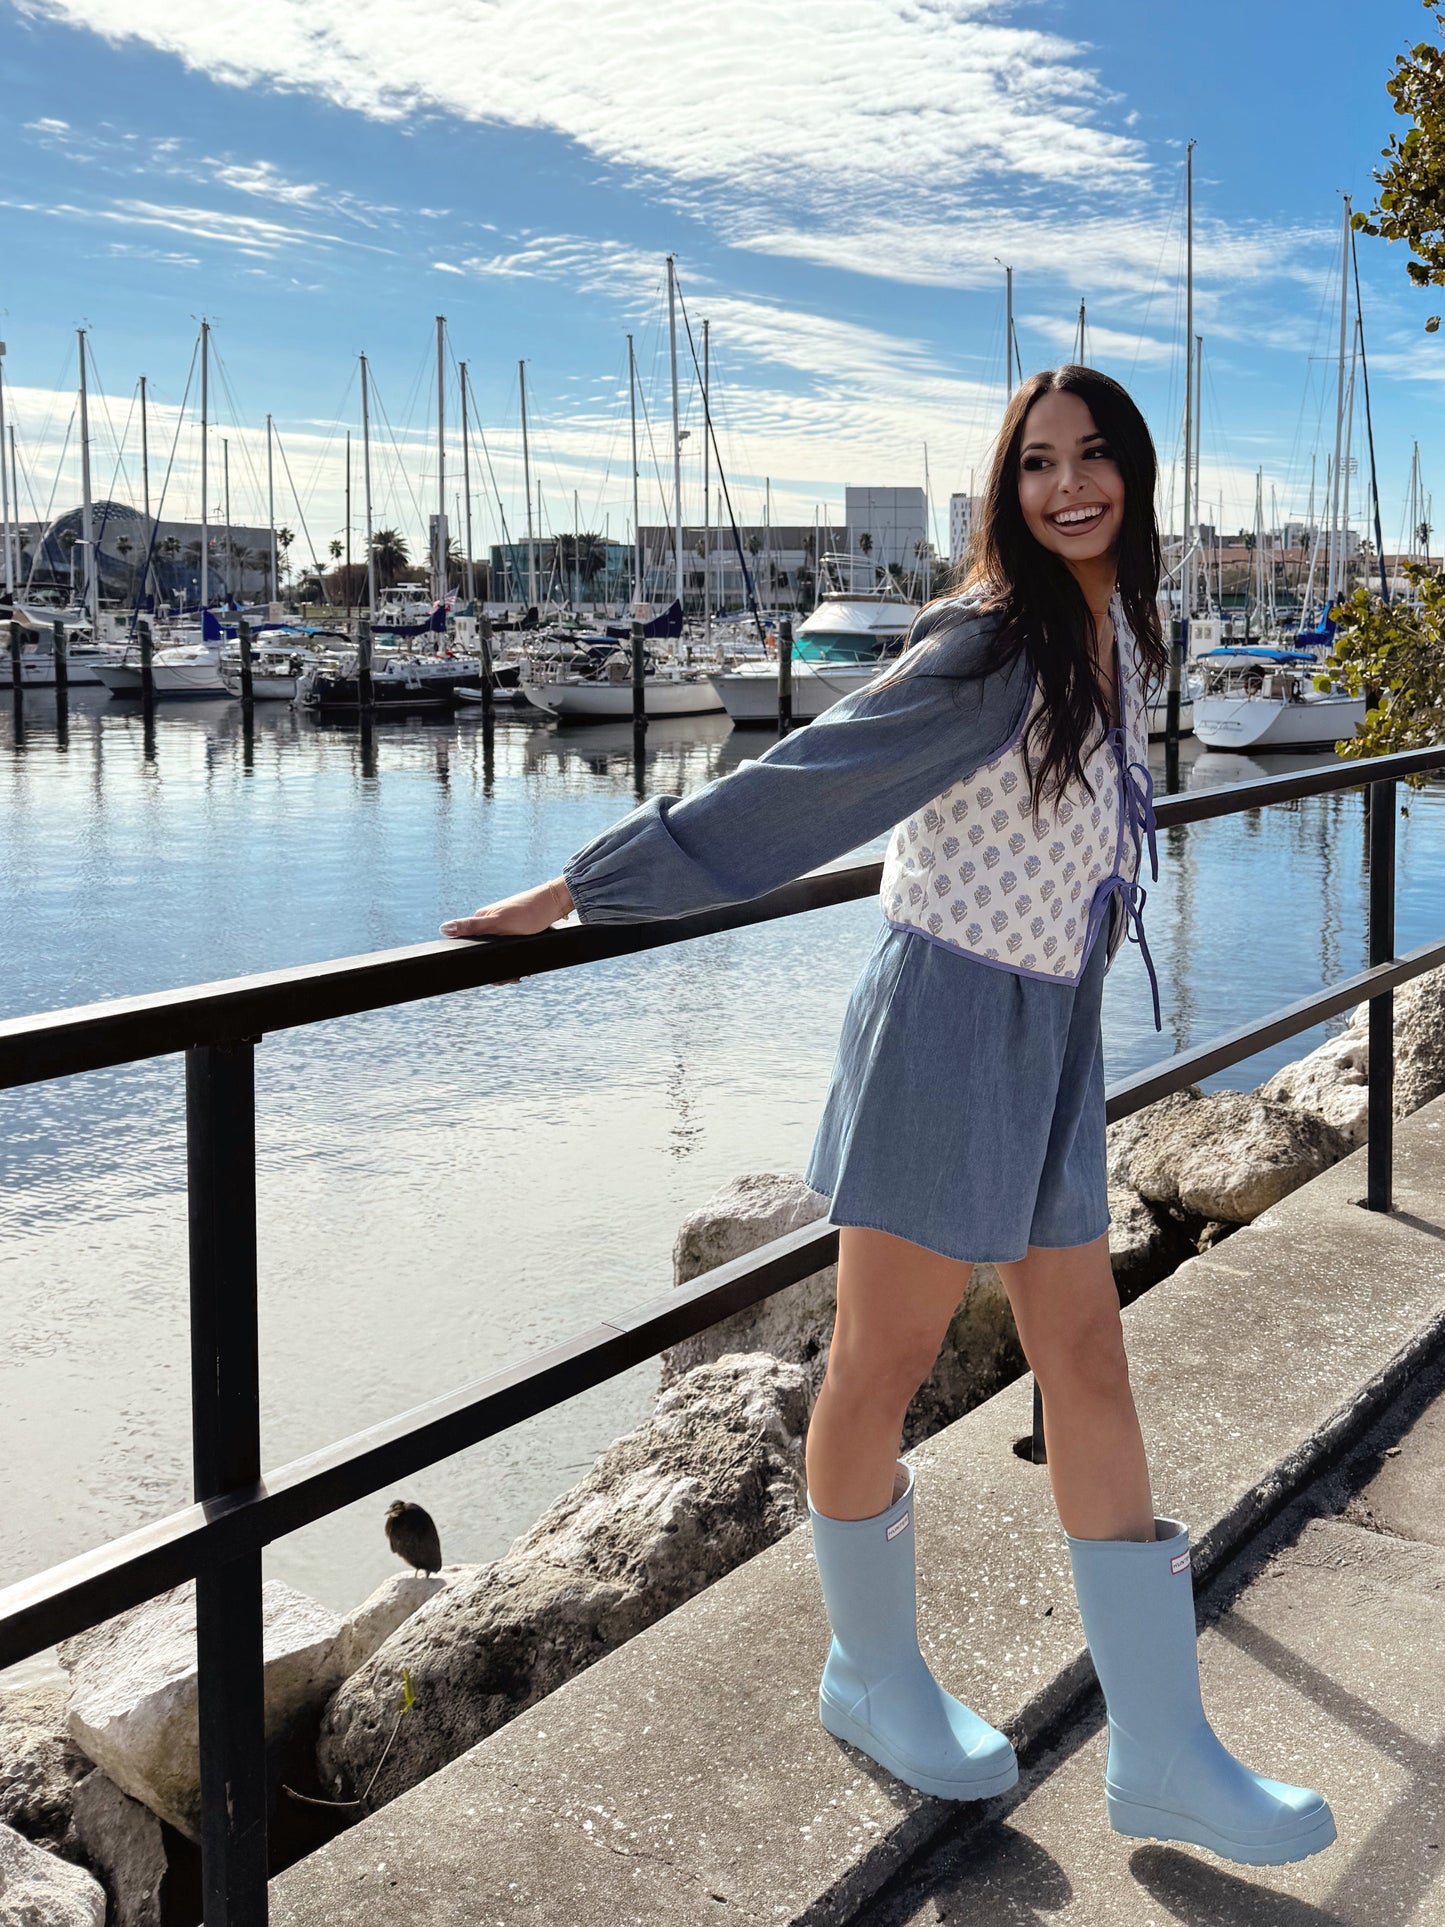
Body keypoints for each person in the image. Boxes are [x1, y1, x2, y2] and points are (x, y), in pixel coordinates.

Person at [442, 367, 1335, 1868]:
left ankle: (1163, 1755)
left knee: (1090, 1356)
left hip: (1042, 1025)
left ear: (1133, 473)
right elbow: (808, 786)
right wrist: (584, 888)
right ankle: (868, 1673)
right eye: (1038, 463)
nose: (1068, 485)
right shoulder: (994, 643)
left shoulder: (1125, 626)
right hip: (940, 1025)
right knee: (879, 1366)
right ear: (1007, 488)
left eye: (1093, 455)